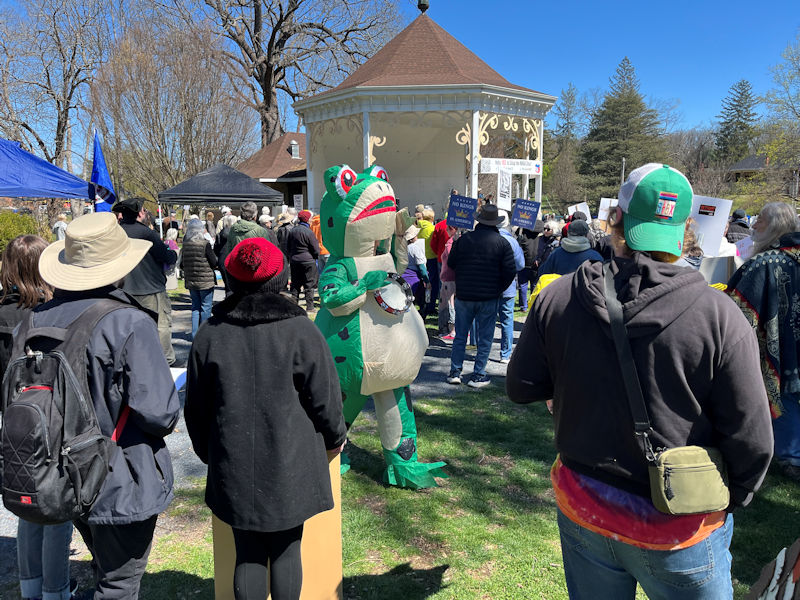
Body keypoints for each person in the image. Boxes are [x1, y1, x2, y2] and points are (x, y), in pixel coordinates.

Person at [507, 163, 773, 599]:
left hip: (586, 506)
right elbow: (754, 441)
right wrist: (731, 499)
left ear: (615, 220)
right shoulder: (721, 317)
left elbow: (521, 387)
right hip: (680, 528)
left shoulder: (557, 294)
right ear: (686, 229)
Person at [185, 237, 346, 600]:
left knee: (248, 551)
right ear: (282, 278)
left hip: (233, 458)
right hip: (291, 458)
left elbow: (195, 407)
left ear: (232, 278)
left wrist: (208, 452)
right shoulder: (301, 330)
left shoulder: (210, 333)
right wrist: (336, 437)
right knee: (288, 547)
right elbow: (326, 397)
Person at [36, 212, 180, 600]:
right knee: (117, 585)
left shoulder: (33, 321)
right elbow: (160, 412)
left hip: (57, 472)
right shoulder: (127, 322)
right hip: (117, 475)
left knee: (105, 567)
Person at [0, 236, 79, 600]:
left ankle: (31, 588)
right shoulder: (49, 314)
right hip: (50, 422)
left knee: (26, 505)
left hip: (12, 422)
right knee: (56, 508)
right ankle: (55, 590)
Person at [727, 201, 800, 481]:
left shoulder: (764, 263)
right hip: (792, 338)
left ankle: (791, 456)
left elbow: (737, 310)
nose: (754, 224)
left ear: (773, 226)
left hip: (777, 343)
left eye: (760, 221)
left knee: (779, 393)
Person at [445, 204, 516, 388]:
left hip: (464, 295)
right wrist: (498, 288)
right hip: (488, 297)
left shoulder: (464, 240)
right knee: (485, 338)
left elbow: (451, 263)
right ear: (495, 222)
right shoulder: (502, 243)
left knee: (460, 336)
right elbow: (510, 270)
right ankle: (478, 374)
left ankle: (455, 372)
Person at [113, 197, 178, 366]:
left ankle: (134, 361)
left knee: (129, 328)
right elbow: (166, 256)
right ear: (140, 213)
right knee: (161, 326)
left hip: (123, 290)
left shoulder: (115, 234)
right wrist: (174, 253)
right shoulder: (147, 233)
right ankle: (166, 361)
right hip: (150, 289)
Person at [180, 219, 218, 338]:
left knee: (195, 308)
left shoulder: (185, 245)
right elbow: (214, 262)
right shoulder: (205, 244)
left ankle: (195, 335)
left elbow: (181, 264)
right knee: (206, 307)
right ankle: (204, 335)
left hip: (191, 280)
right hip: (205, 281)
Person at [497, 210, 524, 364]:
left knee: (486, 319)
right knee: (507, 320)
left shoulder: (488, 238)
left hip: (489, 286)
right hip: (507, 286)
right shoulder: (512, 242)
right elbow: (520, 264)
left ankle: (482, 350)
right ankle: (505, 354)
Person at [538, 219, 602, 277]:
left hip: (558, 285)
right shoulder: (595, 257)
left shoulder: (555, 253)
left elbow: (542, 274)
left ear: (568, 233)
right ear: (586, 234)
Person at [286, 210, 320, 312]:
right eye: (310, 218)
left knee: (295, 284)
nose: (311, 220)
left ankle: (293, 306)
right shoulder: (309, 232)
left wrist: (291, 256)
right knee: (309, 284)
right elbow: (315, 249)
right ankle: (310, 307)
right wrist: (314, 257)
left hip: (295, 260)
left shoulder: (292, 231)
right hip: (308, 261)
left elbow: (288, 246)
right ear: (307, 220)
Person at [515, 220, 542, 312]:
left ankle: (524, 306)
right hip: (535, 264)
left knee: (523, 285)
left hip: (524, 264)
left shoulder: (523, 236)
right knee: (534, 285)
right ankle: (533, 304)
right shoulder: (541, 238)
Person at [402, 224, 430, 313]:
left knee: (406, 301)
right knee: (421, 301)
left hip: (403, 277)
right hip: (414, 279)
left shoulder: (401, 247)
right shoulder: (415, 248)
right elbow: (421, 267)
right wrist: (427, 281)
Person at [436, 225, 458, 339]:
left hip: (449, 278)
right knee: (449, 303)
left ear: (454, 229)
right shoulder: (454, 241)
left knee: (450, 304)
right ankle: (451, 328)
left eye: (449, 228)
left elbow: (451, 259)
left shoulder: (451, 242)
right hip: (450, 278)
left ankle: (452, 329)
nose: (446, 230)